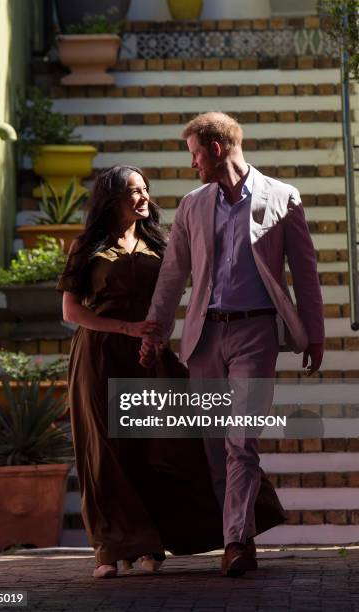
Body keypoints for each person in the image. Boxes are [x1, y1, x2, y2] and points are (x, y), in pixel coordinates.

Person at [57, 164, 286, 579]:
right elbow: (72, 311)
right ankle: (111, 548)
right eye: (134, 191)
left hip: (150, 357)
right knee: (106, 451)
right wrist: (124, 327)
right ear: (111, 199)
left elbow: (185, 290)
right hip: (100, 356)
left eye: (146, 188)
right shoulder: (87, 246)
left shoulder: (159, 244)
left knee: (169, 444)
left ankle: (179, 536)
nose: (144, 196)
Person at [140, 112, 325, 576]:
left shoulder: (283, 198)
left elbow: (305, 271)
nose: (192, 165)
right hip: (204, 336)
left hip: (256, 334)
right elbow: (172, 276)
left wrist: (314, 332)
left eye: (195, 154)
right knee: (214, 444)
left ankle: (237, 542)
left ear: (217, 149)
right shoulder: (191, 205)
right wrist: (155, 330)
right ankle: (236, 534)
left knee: (241, 440)